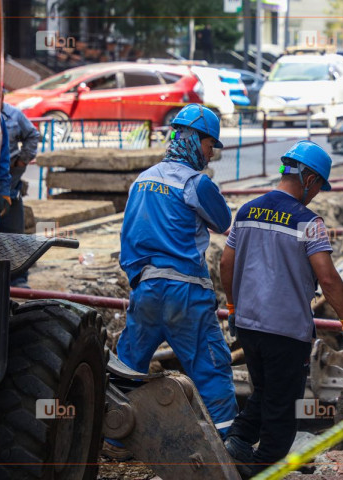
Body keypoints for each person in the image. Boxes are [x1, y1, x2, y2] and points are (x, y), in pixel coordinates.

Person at [220, 140, 343, 477]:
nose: (316, 194)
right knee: (284, 410)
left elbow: (226, 262)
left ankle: (237, 440)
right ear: (309, 178)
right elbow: (327, 278)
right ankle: (258, 470)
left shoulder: (248, 210)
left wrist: (233, 305)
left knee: (266, 391)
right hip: (286, 331)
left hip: (249, 325)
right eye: (318, 186)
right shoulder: (308, 222)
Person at [115, 104, 237, 447]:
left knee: (128, 367)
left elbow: (129, 236)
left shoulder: (143, 180)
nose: (211, 154)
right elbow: (223, 222)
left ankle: (117, 439)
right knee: (211, 368)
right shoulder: (196, 182)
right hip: (186, 292)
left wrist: (139, 281)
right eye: (210, 145)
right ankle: (227, 444)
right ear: (194, 140)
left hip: (146, 290)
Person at [0, 102, 40, 286]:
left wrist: (23, 161)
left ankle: (18, 279)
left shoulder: (13, 115)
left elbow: (33, 135)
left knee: (14, 234)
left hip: (10, 185)